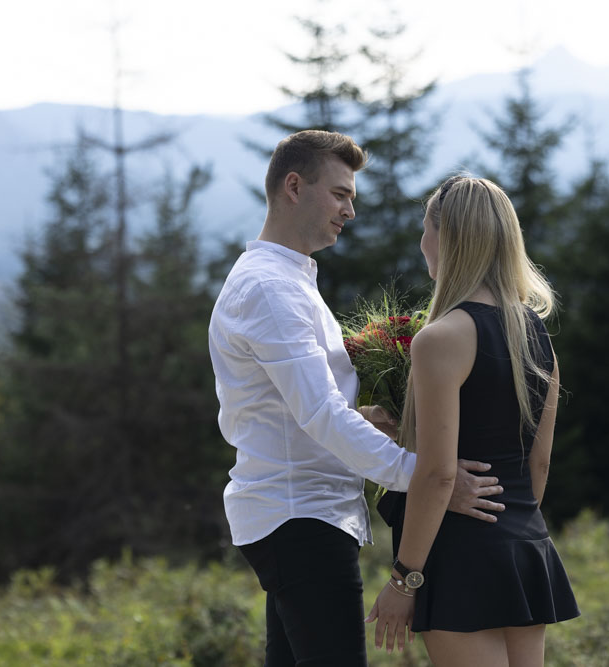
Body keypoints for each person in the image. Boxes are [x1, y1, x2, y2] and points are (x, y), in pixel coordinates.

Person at [208, 131, 506, 667]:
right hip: (300, 515)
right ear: (294, 187)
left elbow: (305, 407)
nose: (350, 210)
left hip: (299, 512)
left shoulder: (288, 280)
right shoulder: (271, 289)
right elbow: (320, 414)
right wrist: (426, 478)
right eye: (340, 194)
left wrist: (365, 416)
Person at [366, 176, 580, 666]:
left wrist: (404, 580)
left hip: (462, 553)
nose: (422, 242)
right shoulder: (536, 334)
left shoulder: (441, 338)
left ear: (447, 238)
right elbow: (539, 463)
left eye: (426, 229)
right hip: (525, 543)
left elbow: (440, 475)